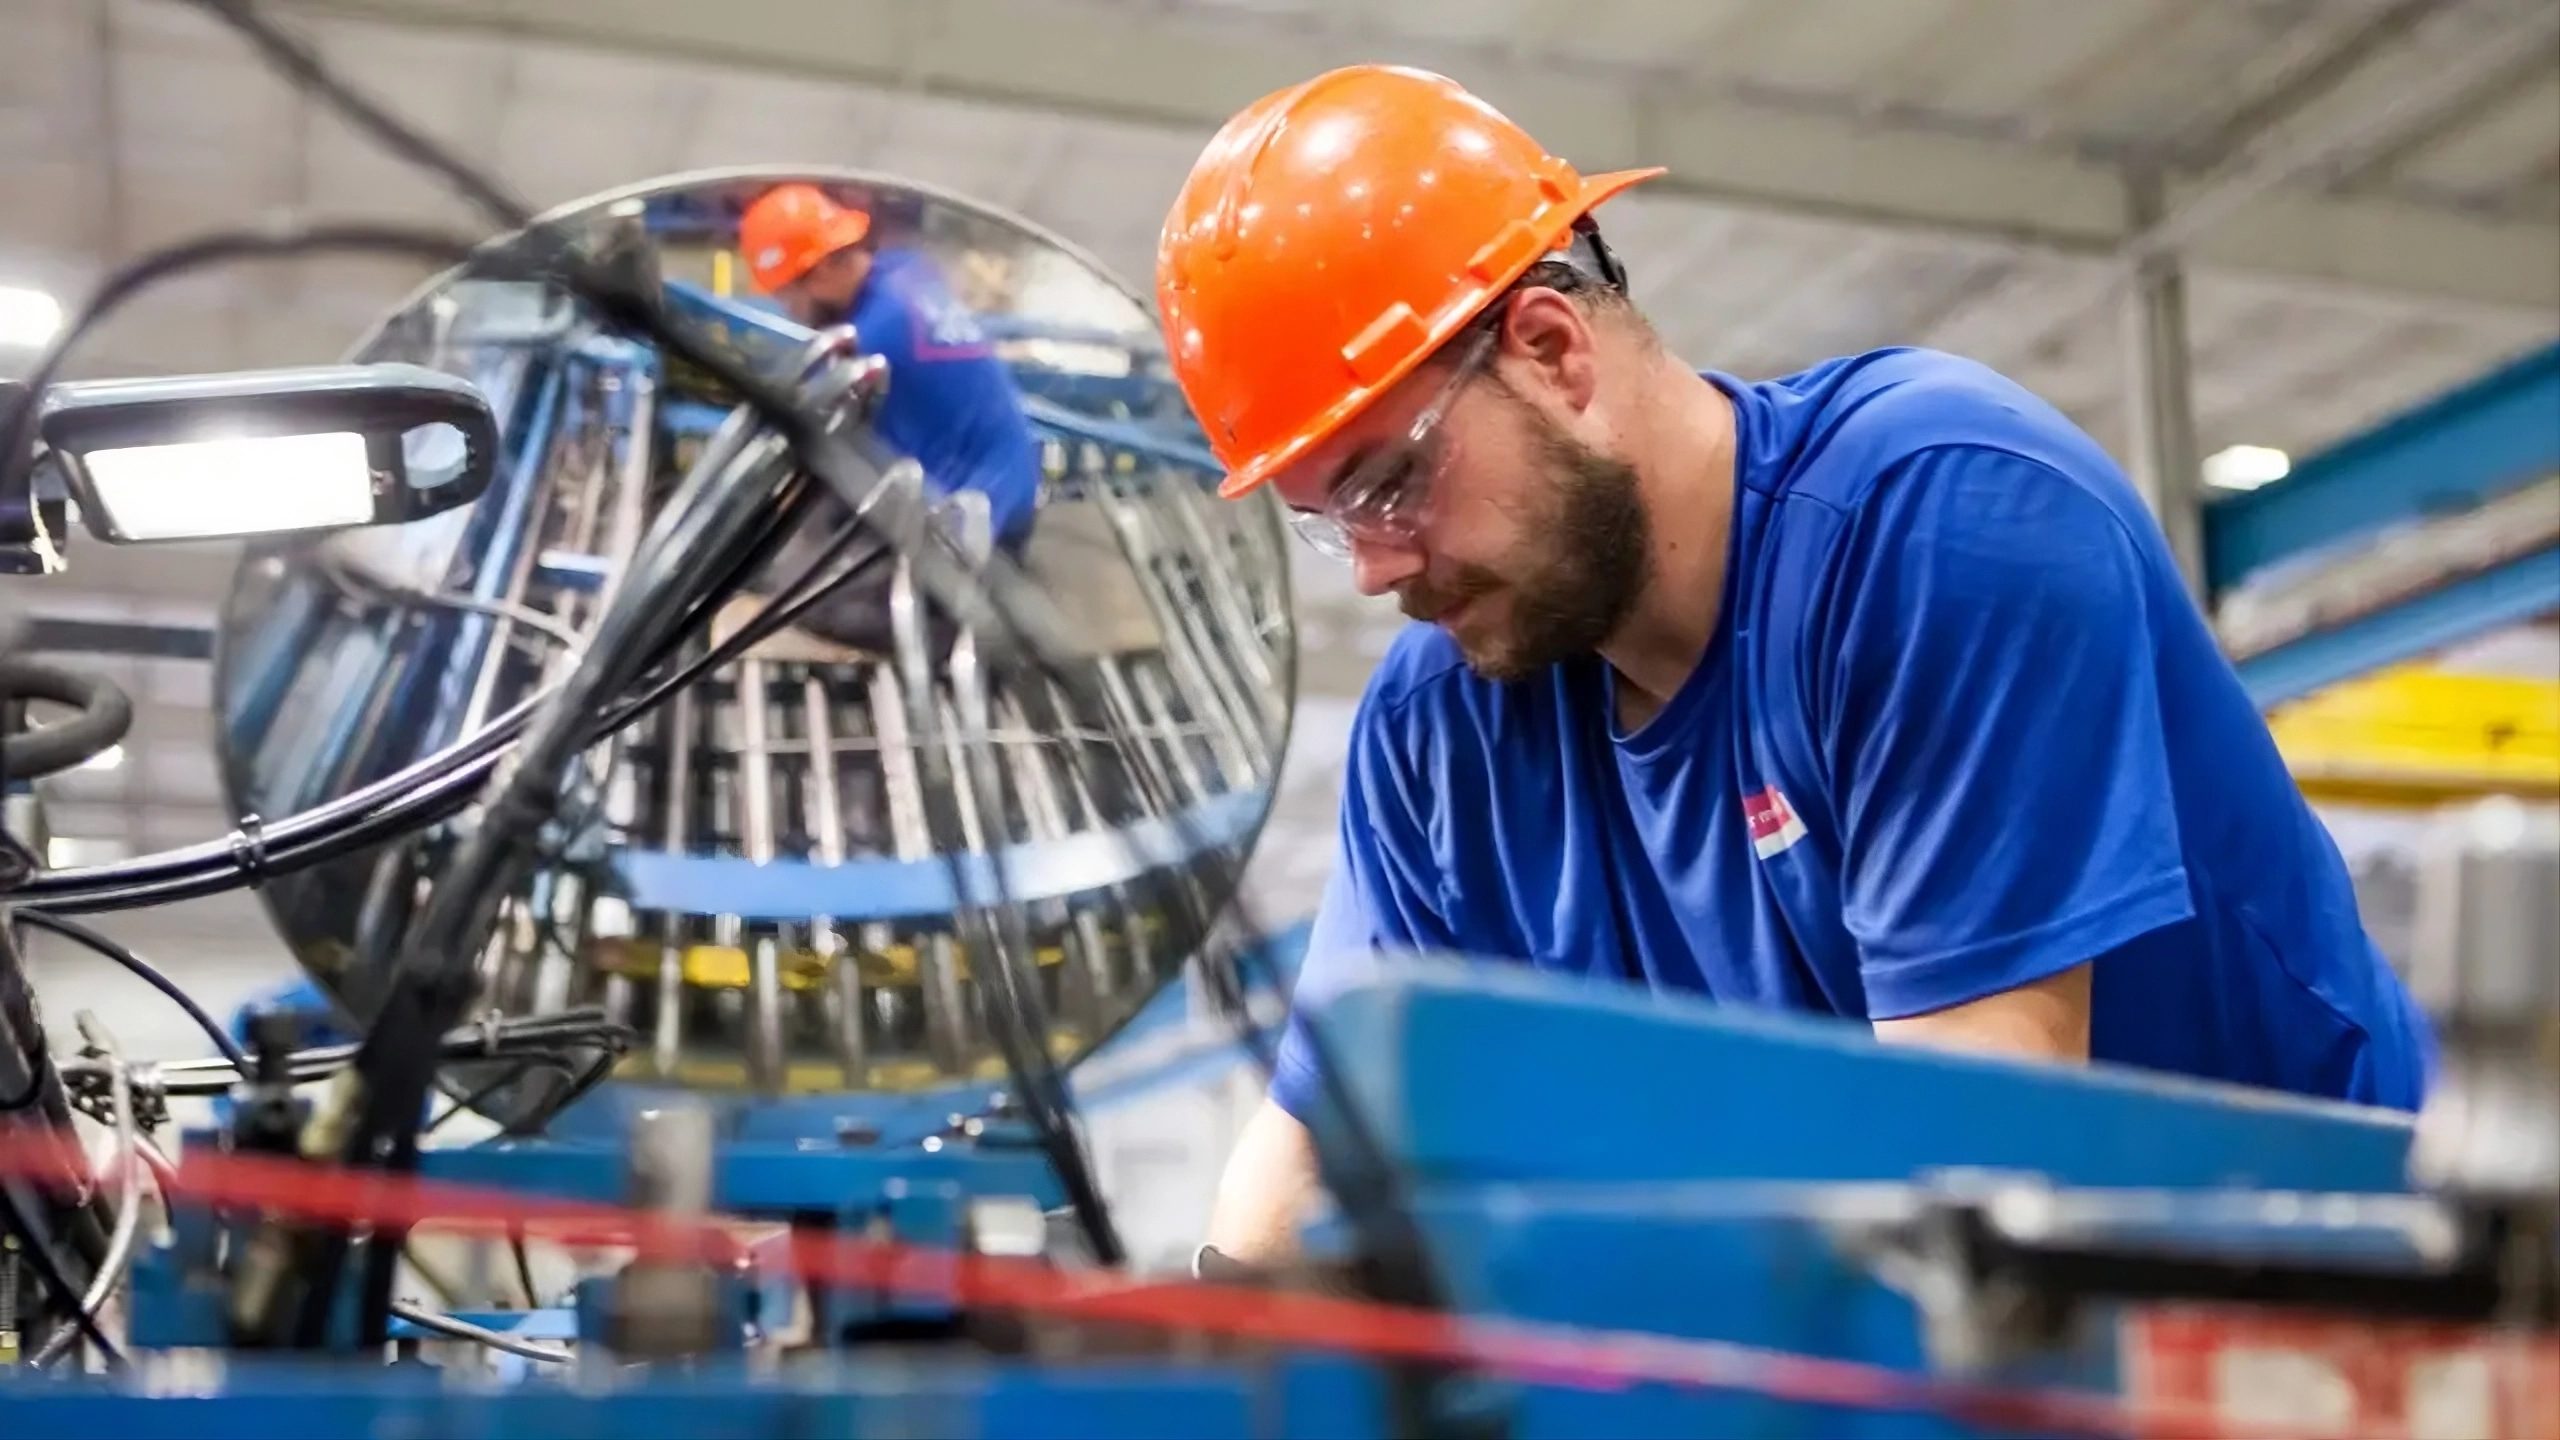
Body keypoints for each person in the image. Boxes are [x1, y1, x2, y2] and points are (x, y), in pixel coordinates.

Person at [1154, 65, 2435, 1265]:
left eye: (1391, 481)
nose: (1377, 569)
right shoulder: (1443, 729)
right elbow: (1317, 1143)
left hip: (2328, 1311)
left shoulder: (1938, 522)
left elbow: (1971, 1166)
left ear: (1553, 353)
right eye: (1332, 521)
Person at [735, 183, 1045, 656]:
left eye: (785, 295)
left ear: (818, 274)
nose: (786, 310)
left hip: (980, 533)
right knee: (818, 524)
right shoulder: (905, 272)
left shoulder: (865, 345)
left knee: (794, 594)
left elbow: (809, 436)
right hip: (1007, 487)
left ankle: (964, 633)